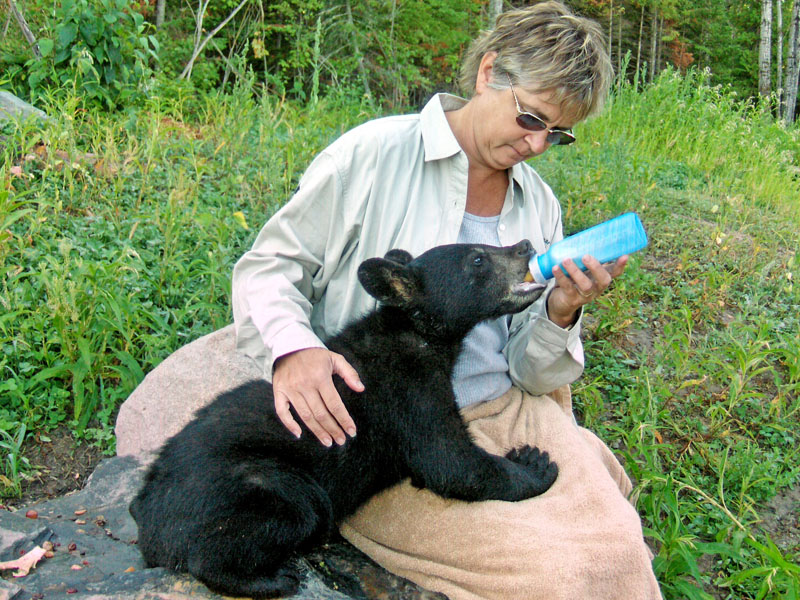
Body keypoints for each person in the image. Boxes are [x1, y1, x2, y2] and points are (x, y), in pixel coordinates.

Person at [231, 2, 662, 598]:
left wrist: (560, 312)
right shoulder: (373, 156)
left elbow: (534, 374)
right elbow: (269, 267)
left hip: (504, 407)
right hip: (385, 429)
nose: (538, 145)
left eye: (557, 134)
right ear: (489, 73)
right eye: (532, 118)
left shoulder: (537, 204)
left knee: (618, 554)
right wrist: (294, 348)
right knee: (550, 576)